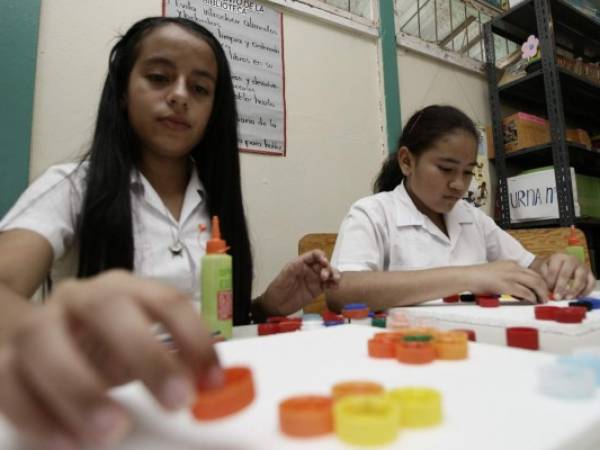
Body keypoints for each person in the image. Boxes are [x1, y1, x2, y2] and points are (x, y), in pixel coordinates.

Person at [0, 17, 338, 449]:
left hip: (213, 413)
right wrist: (36, 331)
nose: (180, 96)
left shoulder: (218, 201)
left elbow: (208, 327)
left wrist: (264, 305)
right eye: (159, 77)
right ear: (122, 92)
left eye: (199, 88)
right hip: (109, 419)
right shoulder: (72, 186)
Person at [327, 105, 595, 312]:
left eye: (468, 172)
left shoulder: (471, 218)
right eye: (445, 169)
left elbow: (530, 265)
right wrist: (470, 276)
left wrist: (558, 267)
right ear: (407, 162)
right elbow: (341, 292)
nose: (459, 184)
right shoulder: (373, 213)